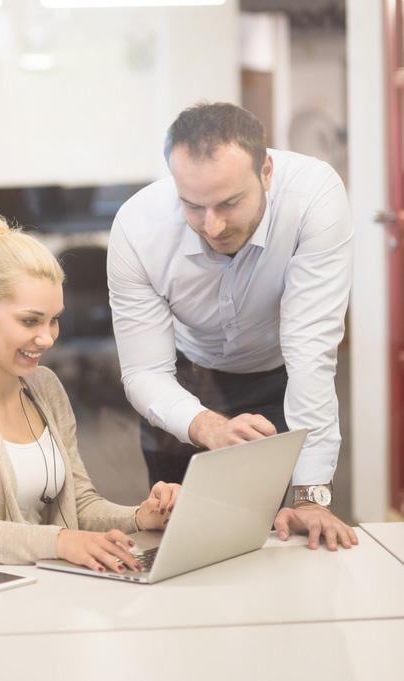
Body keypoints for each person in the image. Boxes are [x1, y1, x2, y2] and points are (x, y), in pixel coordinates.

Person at [107, 102, 358, 552]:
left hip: (279, 371)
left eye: (229, 203)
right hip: (184, 378)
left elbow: (310, 353)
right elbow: (144, 372)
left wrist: (312, 497)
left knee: (278, 538)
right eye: (193, 206)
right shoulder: (137, 227)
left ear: (265, 171)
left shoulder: (314, 196)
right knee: (179, 535)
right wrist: (207, 426)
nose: (213, 225)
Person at [0, 215, 180, 572]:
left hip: (47, 582)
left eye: (54, 319)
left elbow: (78, 505)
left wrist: (140, 517)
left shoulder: (45, 386)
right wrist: (59, 542)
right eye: (30, 321)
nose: (48, 338)